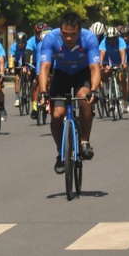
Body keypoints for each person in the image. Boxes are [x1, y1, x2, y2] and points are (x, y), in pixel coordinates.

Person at [36, 11, 101, 174]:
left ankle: (85, 141)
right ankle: (61, 152)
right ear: (60, 31)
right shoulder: (51, 39)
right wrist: (43, 91)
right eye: (65, 34)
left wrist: (93, 90)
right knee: (57, 115)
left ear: (80, 31)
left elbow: (95, 68)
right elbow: (44, 67)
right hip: (61, 75)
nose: (69, 38)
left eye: (73, 34)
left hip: (82, 74)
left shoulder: (89, 39)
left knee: (84, 98)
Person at [99, 26, 128, 112]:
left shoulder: (121, 41)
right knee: (106, 72)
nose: (111, 41)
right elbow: (102, 54)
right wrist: (100, 64)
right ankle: (108, 89)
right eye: (109, 39)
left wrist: (123, 63)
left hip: (120, 61)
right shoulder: (104, 42)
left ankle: (125, 101)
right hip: (110, 61)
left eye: (114, 39)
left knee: (122, 79)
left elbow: (122, 52)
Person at [9, 31, 33, 107]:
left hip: (27, 60)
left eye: (22, 43)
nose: (20, 45)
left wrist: (29, 68)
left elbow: (31, 57)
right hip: (17, 61)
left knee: (29, 74)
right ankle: (17, 98)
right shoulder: (13, 46)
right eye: (18, 43)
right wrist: (11, 67)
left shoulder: (28, 45)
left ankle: (29, 86)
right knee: (17, 78)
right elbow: (11, 58)